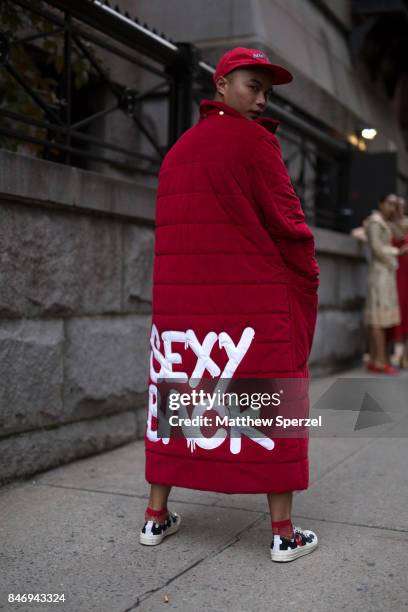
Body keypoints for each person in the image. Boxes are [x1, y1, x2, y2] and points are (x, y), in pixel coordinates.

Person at [140, 47, 320, 563]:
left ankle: (156, 516)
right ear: (220, 85)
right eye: (252, 86)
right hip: (249, 305)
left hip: (182, 312)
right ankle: (282, 533)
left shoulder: (177, 151)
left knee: (177, 398)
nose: (262, 100)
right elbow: (290, 225)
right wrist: (305, 279)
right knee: (269, 401)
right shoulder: (255, 145)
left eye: (266, 91)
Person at [363, 194, 408, 374]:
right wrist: (397, 252)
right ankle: (379, 361)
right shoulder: (375, 222)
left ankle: (378, 359)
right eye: (389, 204)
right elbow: (377, 248)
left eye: (394, 204)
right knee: (378, 320)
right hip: (379, 276)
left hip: (386, 274)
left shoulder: (384, 222)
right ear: (381, 204)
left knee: (382, 319)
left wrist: (396, 215)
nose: (392, 207)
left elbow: (399, 232)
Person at [390, 196, 408, 367]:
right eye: (396, 206)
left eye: (402, 206)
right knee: (399, 309)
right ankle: (398, 352)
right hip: (397, 272)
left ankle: (405, 356)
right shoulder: (387, 225)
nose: (399, 209)